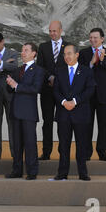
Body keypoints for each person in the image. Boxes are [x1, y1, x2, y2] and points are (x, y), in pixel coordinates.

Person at [53, 44, 95, 181]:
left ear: (77, 55)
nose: (67, 57)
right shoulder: (59, 71)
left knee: (81, 145)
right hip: (63, 114)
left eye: (69, 53)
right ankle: (62, 173)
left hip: (80, 114)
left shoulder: (86, 71)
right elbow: (56, 91)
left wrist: (75, 102)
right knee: (63, 145)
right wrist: (64, 102)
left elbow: (90, 90)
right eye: (64, 54)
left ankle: (83, 173)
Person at [5, 43, 44, 180]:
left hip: (28, 113)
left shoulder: (38, 70)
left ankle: (32, 171)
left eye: (26, 50)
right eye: (22, 50)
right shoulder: (17, 70)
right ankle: (16, 170)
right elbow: (10, 89)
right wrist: (9, 83)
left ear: (34, 53)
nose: (23, 53)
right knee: (16, 144)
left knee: (29, 143)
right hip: (15, 111)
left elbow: (35, 89)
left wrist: (16, 86)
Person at [79, 28, 106, 161]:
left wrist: (102, 60)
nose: (93, 40)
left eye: (95, 37)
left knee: (103, 124)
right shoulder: (83, 53)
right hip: (87, 95)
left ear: (102, 39)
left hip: (103, 94)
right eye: (91, 37)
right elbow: (81, 71)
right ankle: (86, 152)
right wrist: (91, 62)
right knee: (87, 125)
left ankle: (102, 152)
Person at [37, 21, 69, 160]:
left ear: (61, 30)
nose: (52, 33)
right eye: (50, 31)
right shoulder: (43, 47)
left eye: (54, 31)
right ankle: (46, 152)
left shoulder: (69, 46)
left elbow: (71, 65)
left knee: (63, 122)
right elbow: (40, 67)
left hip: (64, 91)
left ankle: (63, 152)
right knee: (47, 121)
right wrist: (49, 77)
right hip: (47, 91)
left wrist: (59, 79)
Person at [0, 31, 18, 159]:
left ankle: (15, 153)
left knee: (12, 124)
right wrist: (6, 64)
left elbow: (14, 67)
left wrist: (0, 63)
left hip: (10, 93)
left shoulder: (13, 53)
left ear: (2, 41)